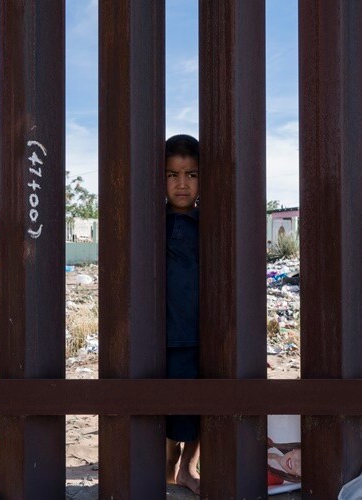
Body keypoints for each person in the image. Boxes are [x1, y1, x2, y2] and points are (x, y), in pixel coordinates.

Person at [165, 134, 200, 495]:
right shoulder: (153, 221)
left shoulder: (209, 222)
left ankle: (188, 467)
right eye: (172, 175)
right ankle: (169, 465)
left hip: (199, 330)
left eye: (191, 174)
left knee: (196, 406)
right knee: (168, 405)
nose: (182, 183)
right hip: (165, 332)